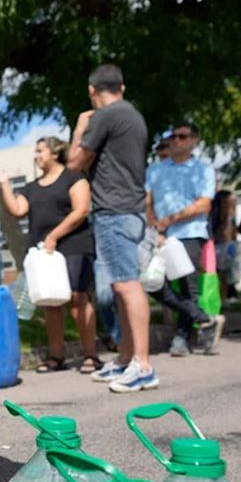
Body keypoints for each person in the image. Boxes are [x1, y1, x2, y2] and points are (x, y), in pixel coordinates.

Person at [68, 64, 156, 393]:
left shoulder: (104, 115)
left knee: (126, 286)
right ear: (122, 85)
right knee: (122, 287)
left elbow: (75, 162)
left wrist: (79, 128)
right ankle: (124, 360)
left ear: (93, 90)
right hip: (130, 209)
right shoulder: (133, 114)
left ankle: (143, 365)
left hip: (114, 210)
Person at [0, 137, 99, 374]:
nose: (36, 155)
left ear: (55, 152)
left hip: (74, 244)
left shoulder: (74, 177)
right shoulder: (32, 187)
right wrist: (5, 184)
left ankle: (91, 354)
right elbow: (18, 210)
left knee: (78, 298)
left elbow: (81, 210)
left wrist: (55, 236)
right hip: (44, 250)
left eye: (40, 151)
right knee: (50, 302)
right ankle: (56, 356)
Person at [145, 121, 226, 357]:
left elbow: (204, 204)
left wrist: (169, 220)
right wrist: (155, 228)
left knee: (187, 287)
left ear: (194, 141)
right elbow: (148, 201)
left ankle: (182, 338)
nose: (176, 141)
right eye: (173, 136)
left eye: (182, 137)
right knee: (155, 283)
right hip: (161, 236)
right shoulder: (155, 170)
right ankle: (205, 319)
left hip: (190, 233)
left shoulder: (203, 169)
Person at [212, 188, 239, 300]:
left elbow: (233, 230)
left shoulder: (231, 214)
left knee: (226, 274)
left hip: (228, 245)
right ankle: (218, 298)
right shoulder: (215, 213)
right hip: (217, 244)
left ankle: (224, 298)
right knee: (217, 273)